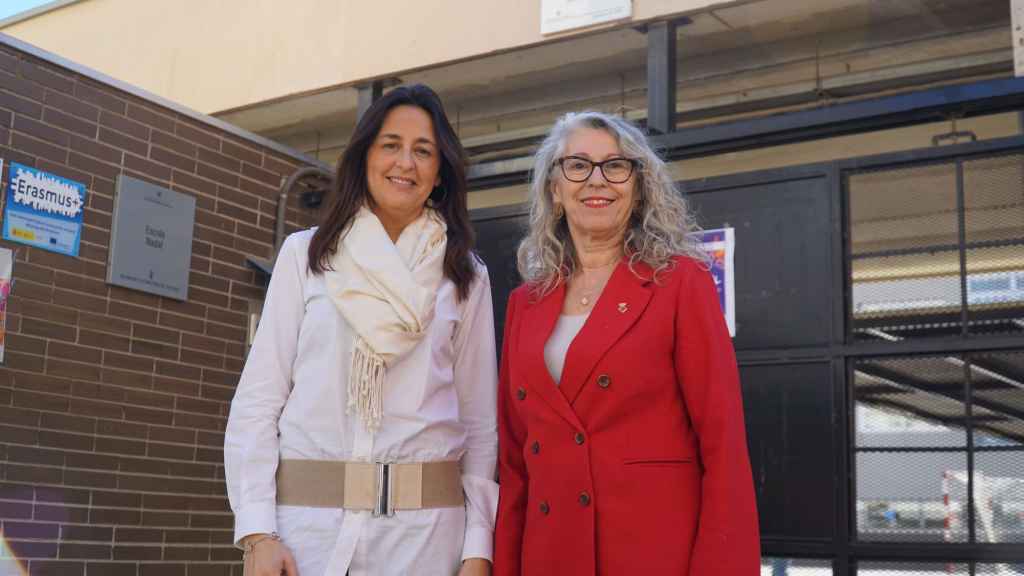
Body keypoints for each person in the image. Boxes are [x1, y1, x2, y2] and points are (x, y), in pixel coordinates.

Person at [225, 85, 498, 576]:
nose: (405, 162)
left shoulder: (466, 276)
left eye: (423, 150)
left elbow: (480, 422)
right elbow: (259, 400)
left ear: (440, 173)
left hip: (425, 543)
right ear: (365, 156)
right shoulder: (306, 257)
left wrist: (478, 548)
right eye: (390, 144)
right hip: (306, 537)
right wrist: (258, 534)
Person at [493, 111, 760, 575]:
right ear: (555, 189)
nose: (597, 180)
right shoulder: (524, 303)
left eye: (616, 166)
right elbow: (516, 463)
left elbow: (724, 447)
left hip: (651, 554)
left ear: (637, 188)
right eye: (577, 165)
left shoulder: (681, 284)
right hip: (550, 556)